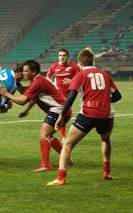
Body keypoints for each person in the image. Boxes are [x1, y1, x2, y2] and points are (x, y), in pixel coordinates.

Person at [47, 49, 122, 186]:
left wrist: (61, 116)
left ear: (80, 62)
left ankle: (61, 177)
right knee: (105, 139)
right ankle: (107, 171)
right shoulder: (105, 75)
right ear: (93, 61)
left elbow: (70, 98)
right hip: (106, 115)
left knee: (68, 144)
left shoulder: (80, 75)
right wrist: (104, 100)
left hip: (88, 113)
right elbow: (117, 96)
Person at [0, 60, 72, 172]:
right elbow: (31, 95)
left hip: (59, 110)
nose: (24, 73)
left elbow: (23, 100)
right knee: (49, 136)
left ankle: (45, 165)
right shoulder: (37, 80)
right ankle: (66, 159)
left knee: (44, 135)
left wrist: (6, 93)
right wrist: (26, 110)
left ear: (34, 71)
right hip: (62, 110)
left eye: (26, 71)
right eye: (23, 71)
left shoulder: (38, 82)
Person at [46, 48, 80, 142]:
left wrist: (72, 80)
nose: (61, 57)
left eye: (64, 55)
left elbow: (81, 78)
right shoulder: (54, 66)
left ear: (67, 56)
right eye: (60, 55)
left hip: (70, 95)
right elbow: (48, 77)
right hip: (59, 96)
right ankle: (63, 136)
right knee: (63, 113)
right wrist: (53, 86)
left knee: (64, 114)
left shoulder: (74, 67)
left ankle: (60, 133)